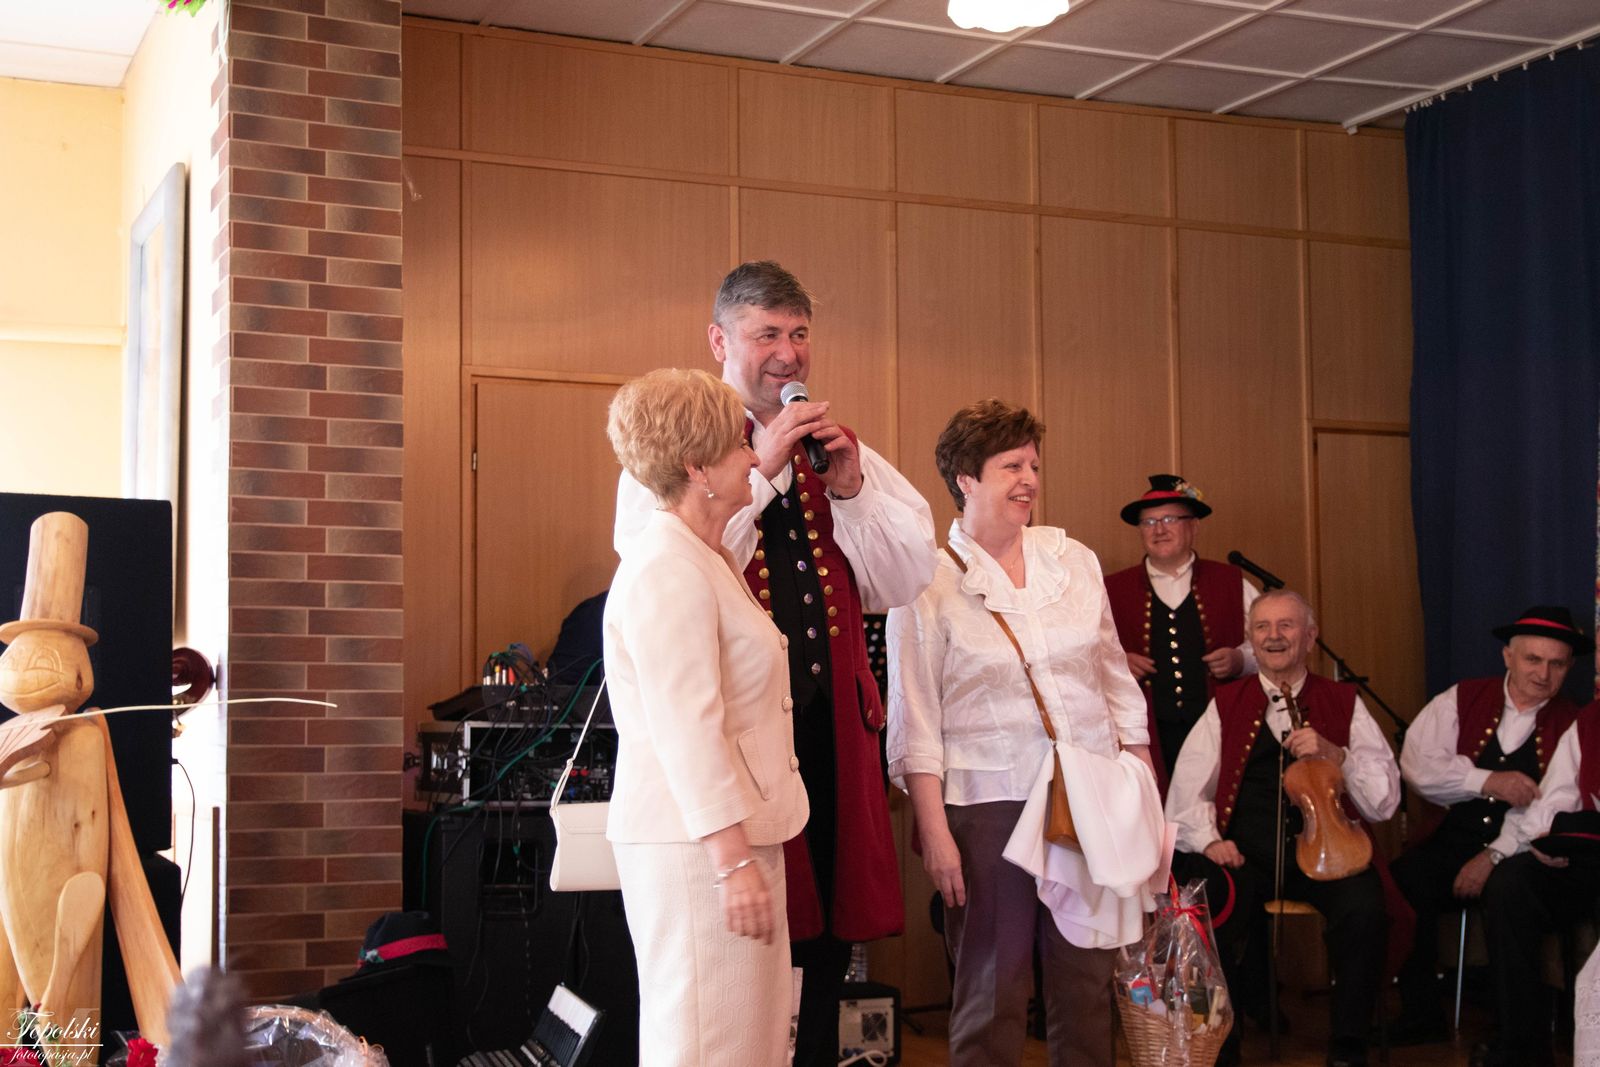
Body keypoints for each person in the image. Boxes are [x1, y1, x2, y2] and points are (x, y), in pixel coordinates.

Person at [614, 262, 937, 1066]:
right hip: (729, 759)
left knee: (823, 944)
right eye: (767, 334)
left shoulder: (839, 448)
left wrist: (853, 490)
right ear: (720, 341)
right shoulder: (669, 467)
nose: (788, 353)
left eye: (799, 334)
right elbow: (675, 567)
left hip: (828, 740)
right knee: (726, 999)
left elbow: (905, 581)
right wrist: (759, 468)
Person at [887, 399, 1159, 1067]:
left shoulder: (1074, 560)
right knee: (993, 985)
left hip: (1089, 794)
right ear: (965, 478)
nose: (1029, 479)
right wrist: (936, 835)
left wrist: (1142, 792)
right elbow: (915, 722)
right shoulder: (924, 582)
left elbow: (1115, 679)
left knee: (1086, 982)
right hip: (989, 802)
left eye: (1033, 465)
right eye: (1011, 466)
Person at [602, 368, 810, 1066]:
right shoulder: (666, 565)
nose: (754, 456)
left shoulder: (707, 555)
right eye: (739, 444)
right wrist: (731, 861)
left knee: (750, 1044)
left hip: (731, 839)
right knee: (707, 1046)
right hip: (697, 851)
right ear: (697, 467)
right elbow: (686, 729)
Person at [1166, 589, 1401, 1067]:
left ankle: (1348, 1047)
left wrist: (1337, 755)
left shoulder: (1343, 701)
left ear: (1310, 637)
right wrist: (1211, 841)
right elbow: (1186, 792)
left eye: (1286, 626)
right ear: (1251, 640)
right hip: (1246, 856)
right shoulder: (1226, 703)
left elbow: (1385, 801)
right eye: (1263, 627)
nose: (1274, 637)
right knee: (1205, 901)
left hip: (1329, 854)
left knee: (1365, 909)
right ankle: (1218, 1046)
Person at [1388, 605, 1590, 1043]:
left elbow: (1553, 808)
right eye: (1533, 659)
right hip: (1453, 838)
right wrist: (1487, 781)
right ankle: (1421, 1013)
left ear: (1569, 667)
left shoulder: (1574, 722)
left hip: (1519, 848)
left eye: (1556, 664)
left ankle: (1511, 1029)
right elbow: (1417, 766)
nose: (1543, 674)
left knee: (1509, 891)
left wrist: (1492, 855)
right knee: (1403, 879)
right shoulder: (1462, 698)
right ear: (1508, 657)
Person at [1104, 474, 1259, 790]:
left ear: (1194, 526)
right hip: (1146, 733)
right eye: (1149, 523)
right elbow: (1085, 655)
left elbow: (1269, 649)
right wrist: (1118, 662)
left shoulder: (1232, 582)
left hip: (1219, 727)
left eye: (1170, 519)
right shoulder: (1111, 589)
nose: (1159, 530)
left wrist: (1239, 660)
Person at [1474, 698, 1600, 1067]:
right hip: (1591, 857)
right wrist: (1544, 838)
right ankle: (1523, 1046)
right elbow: (1555, 794)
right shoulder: (1589, 722)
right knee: (1511, 884)